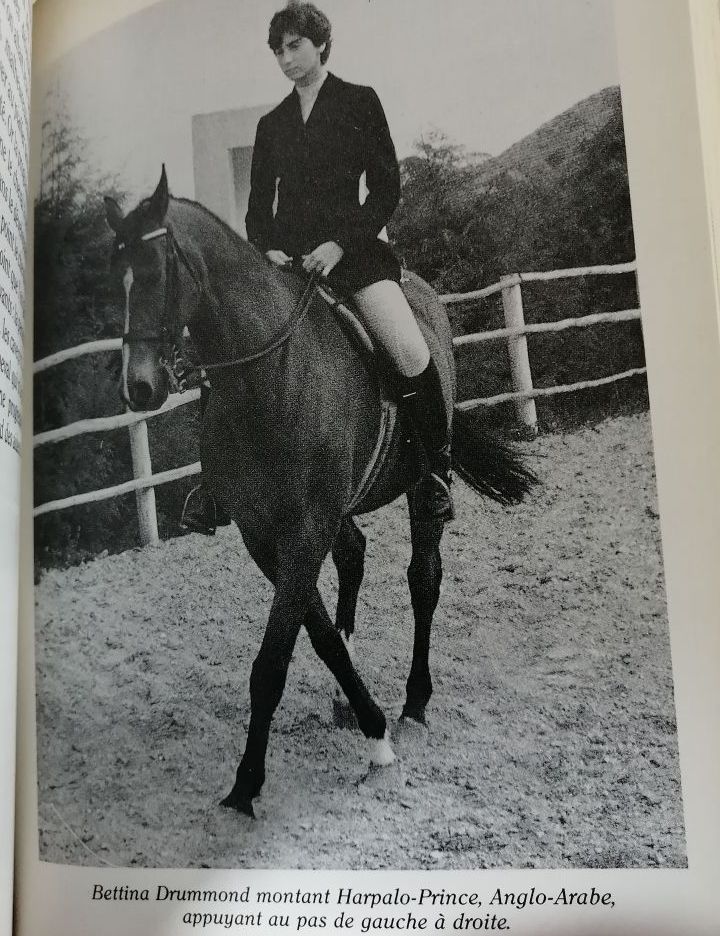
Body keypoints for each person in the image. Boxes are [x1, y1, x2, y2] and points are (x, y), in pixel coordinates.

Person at [183, 0, 453, 533]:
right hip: (287, 267)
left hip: (352, 258)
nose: (285, 59)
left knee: (408, 346)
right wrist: (269, 250)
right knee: (225, 352)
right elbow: (258, 210)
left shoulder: (359, 101)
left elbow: (385, 188)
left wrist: (341, 245)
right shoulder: (272, 123)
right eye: (278, 50)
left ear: (320, 44)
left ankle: (434, 471)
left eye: (294, 46)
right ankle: (216, 485)